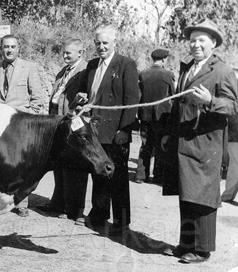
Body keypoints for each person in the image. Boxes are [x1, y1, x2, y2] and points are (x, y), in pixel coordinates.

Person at [161, 18, 237, 263]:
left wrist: (210, 102)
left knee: (203, 196)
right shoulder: (186, 69)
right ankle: (186, 245)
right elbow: (177, 104)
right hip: (183, 141)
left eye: (201, 40)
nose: (195, 45)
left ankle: (202, 249)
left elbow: (233, 107)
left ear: (213, 43)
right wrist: (168, 133)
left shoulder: (222, 70)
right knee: (187, 193)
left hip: (206, 144)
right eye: (192, 40)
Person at [75, 25, 140, 236]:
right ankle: (99, 214)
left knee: (118, 178)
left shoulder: (126, 64)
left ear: (114, 44)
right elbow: (85, 92)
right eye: (98, 43)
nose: (101, 47)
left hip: (116, 133)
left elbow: (132, 100)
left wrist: (125, 130)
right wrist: (81, 99)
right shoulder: (92, 65)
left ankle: (122, 222)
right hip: (95, 131)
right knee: (98, 174)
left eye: (105, 43)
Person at [0, 34, 46, 217]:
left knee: (22, 164)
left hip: (21, 126)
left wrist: (21, 115)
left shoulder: (29, 68)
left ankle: (21, 202)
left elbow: (38, 100)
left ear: (19, 48)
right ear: (1, 48)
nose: (9, 50)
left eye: (12, 47)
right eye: (5, 47)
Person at [36, 38, 88, 224]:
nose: (65, 55)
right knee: (58, 164)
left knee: (74, 167)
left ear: (80, 53)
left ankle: (74, 209)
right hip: (58, 121)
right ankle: (58, 203)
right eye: (64, 52)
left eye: (69, 53)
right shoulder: (64, 70)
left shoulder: (85, 71)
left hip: (73, 124)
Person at [134, 49, 174, 184]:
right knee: (160, 146)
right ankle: (158, 177)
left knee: (145, 145)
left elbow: (138, 97)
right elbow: (173, 95)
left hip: (145, 116)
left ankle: (140, 175)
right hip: (162, 117)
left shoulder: (143, 74)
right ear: (163, 59)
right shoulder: (168, 75)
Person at [222, 112, 238, 203]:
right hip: (235, 136)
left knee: (234, 167)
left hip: (235, 136)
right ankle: (228, 195)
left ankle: (228, 195)